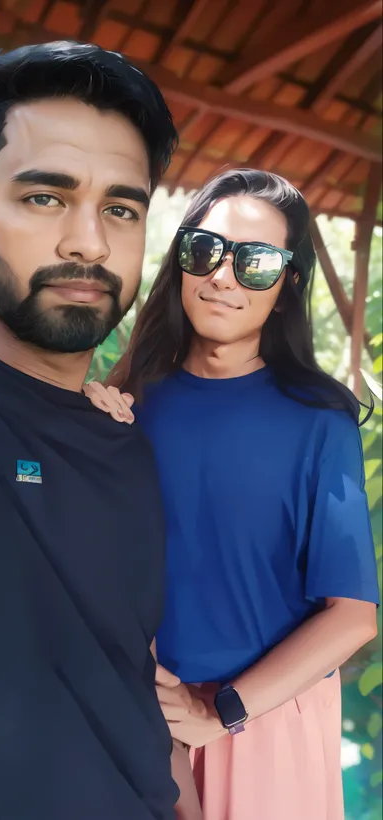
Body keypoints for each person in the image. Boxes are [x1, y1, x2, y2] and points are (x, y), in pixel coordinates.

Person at [0, 41, 180, 820]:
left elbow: (123, 665)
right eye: (44, 197)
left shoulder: (131, 442)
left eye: (120, 209)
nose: (88, 243)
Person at [85, 169, 380, 820]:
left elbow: (353, 615)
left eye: (256, 261)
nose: (223, 276)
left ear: (287, 284)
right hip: (140, 720)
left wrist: (222, 712)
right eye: (205, 250)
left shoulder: (318, 419)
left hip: (263, 724)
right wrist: (87, 434)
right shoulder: (130, 401)